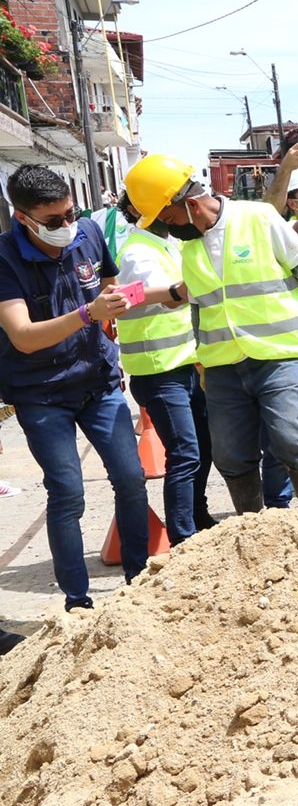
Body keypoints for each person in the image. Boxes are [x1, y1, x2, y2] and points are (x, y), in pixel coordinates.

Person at [123, 153, 298, 514]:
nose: (171, 226)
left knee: (290, 438)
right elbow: (193, 302)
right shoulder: (187, 245)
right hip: (221, 365)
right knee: (229, 453)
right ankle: (250, 526)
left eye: (171, 218)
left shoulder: (257, 217)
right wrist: (199, 359)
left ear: (191, 204)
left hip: (277, 355)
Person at [0, 165, 147, 611]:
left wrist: (115, 308)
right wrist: (88, 313)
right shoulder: (4, 259)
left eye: (71, 213)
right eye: (53, 221)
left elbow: (107, 283)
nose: (67, 226)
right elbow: (22, 336)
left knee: (131, 478)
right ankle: (77, 603)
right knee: (68, 493)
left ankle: (140, 583)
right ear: (22, 217)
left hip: (98, 382)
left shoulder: (87, 232)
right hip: (41, 393)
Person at [112, 191, 214, 539]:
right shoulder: (137, 251)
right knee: (185, 453)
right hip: (158, 371)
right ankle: (183, 536)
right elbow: (133, 296)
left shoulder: (168, 244)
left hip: (185, 365)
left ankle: (198, 518)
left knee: (202, 448)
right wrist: (176, 291)